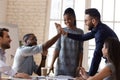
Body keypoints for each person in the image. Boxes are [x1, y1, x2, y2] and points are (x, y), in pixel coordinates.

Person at [57, 8, 118, 76]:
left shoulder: (100, 33)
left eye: (86, 21)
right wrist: (66, 34)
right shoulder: (98, 29)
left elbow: (97, 56)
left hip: (115, 63)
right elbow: (82, 37)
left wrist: (89, 76)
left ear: (93, 21)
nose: (85, 23)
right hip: (113, 61)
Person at [48, 7, 84, 77]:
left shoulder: (80, 32)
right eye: (65, 20)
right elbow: (57, 48)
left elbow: (81, 51)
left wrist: (79, 66)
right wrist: (51, 64)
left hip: (74, 67)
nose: (67, 21)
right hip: (61, 66)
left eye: (69, 19)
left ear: (74, 18)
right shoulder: (61, 31)